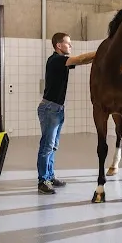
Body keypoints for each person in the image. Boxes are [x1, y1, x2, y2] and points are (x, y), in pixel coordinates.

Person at [37, 32, 95, 195]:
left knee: (52, 146)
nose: (70, 46)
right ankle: (43, 181)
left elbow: (85, 61)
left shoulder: (61, 61)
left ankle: (50, 176)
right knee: (46, 146)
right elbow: (81, 59)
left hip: (56, 108)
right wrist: (103, 51)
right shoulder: (56, 60)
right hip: (50, 109)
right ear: (59, 46)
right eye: (68, 43)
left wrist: (99, 56)